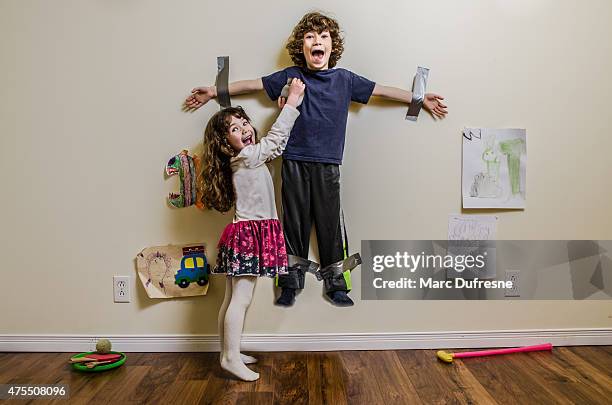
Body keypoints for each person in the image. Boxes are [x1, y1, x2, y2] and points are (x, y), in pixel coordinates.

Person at [185, 12, 448, 307]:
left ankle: (337, 283)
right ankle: (289, 283)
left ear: (332, 46)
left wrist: (418, 98)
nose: (317, 41)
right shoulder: (291, 77)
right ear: (302, 47)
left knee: (330, 224)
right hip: (294, 160)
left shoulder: (344, 79)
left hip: (328, 164)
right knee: (293, 223)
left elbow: (382, 90)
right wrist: (215, 91)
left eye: (323, 37)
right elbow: (253, 85)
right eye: (311, 37)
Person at [202, 79, 305, 381]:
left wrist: (284, 109)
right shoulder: (247, 157)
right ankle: (231, 357)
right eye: (234, 129)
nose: (244, 128)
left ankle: (228, 352)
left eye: (244, 122)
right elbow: (275, 142)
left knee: (232, 299)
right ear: (224, 144)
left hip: (246, 234)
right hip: (249, 236)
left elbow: (272, 145)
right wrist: (294, 103)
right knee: (241, 299)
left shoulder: (246, 157)